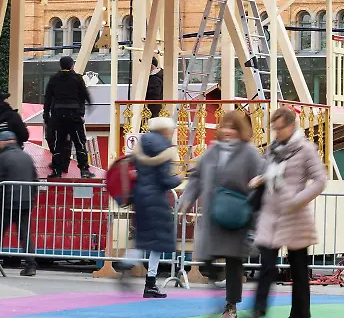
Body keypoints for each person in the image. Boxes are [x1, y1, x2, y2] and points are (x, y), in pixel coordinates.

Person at [179, 111, 264, 318]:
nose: (227, 131)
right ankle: (219, 292)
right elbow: (197, 177)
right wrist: (187, 199)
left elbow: (261, 180)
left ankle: (231, 305)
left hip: (237, 216)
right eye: (225, 127)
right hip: (214, 216)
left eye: (232, 128)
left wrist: (256, 213)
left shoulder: (249, 153)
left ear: (240, 130)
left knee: (234, 262)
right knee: (206, 257)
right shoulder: (212, 151)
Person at [250, 107, 327, 318]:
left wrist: (297, 200)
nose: (277, 133)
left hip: (295, 216)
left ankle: (300, 314)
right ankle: (258, 309)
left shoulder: (306, 149)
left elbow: (320, 180)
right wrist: (260, 179)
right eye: (274, 129)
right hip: (271, 213)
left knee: (299, 270)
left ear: (292, 126)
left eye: (280, 128)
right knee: (266, 265)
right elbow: (271, 174)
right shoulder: (272, 150)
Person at [126, 117, 182, 298]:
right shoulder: (163, 148)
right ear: (166, 130)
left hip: (140, 195)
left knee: (143, 237)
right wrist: (179, 178)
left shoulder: (141, 144)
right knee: (159, 241)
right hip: (156, 198)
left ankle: (127, 263)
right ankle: (150, 282)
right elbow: (164, 179)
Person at [0, 130, 39, 276]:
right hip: (25, 202)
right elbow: (35, 180)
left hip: (6, 203)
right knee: (25, 234)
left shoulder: (1, 158)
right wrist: (31, 198)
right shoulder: (27, 157)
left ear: (4, 142)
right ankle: (31, 265)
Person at [43, 56, 93, 179]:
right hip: (74, 115)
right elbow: (85, 95)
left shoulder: (54, 79)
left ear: (60, 65)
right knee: (79, 142)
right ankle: (84, 170)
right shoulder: (77, 78)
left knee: (58, 143)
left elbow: (48, 98)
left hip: (58, 115)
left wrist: (46, 116)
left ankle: (57, 171)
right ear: (72, 65)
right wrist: (86, 108)